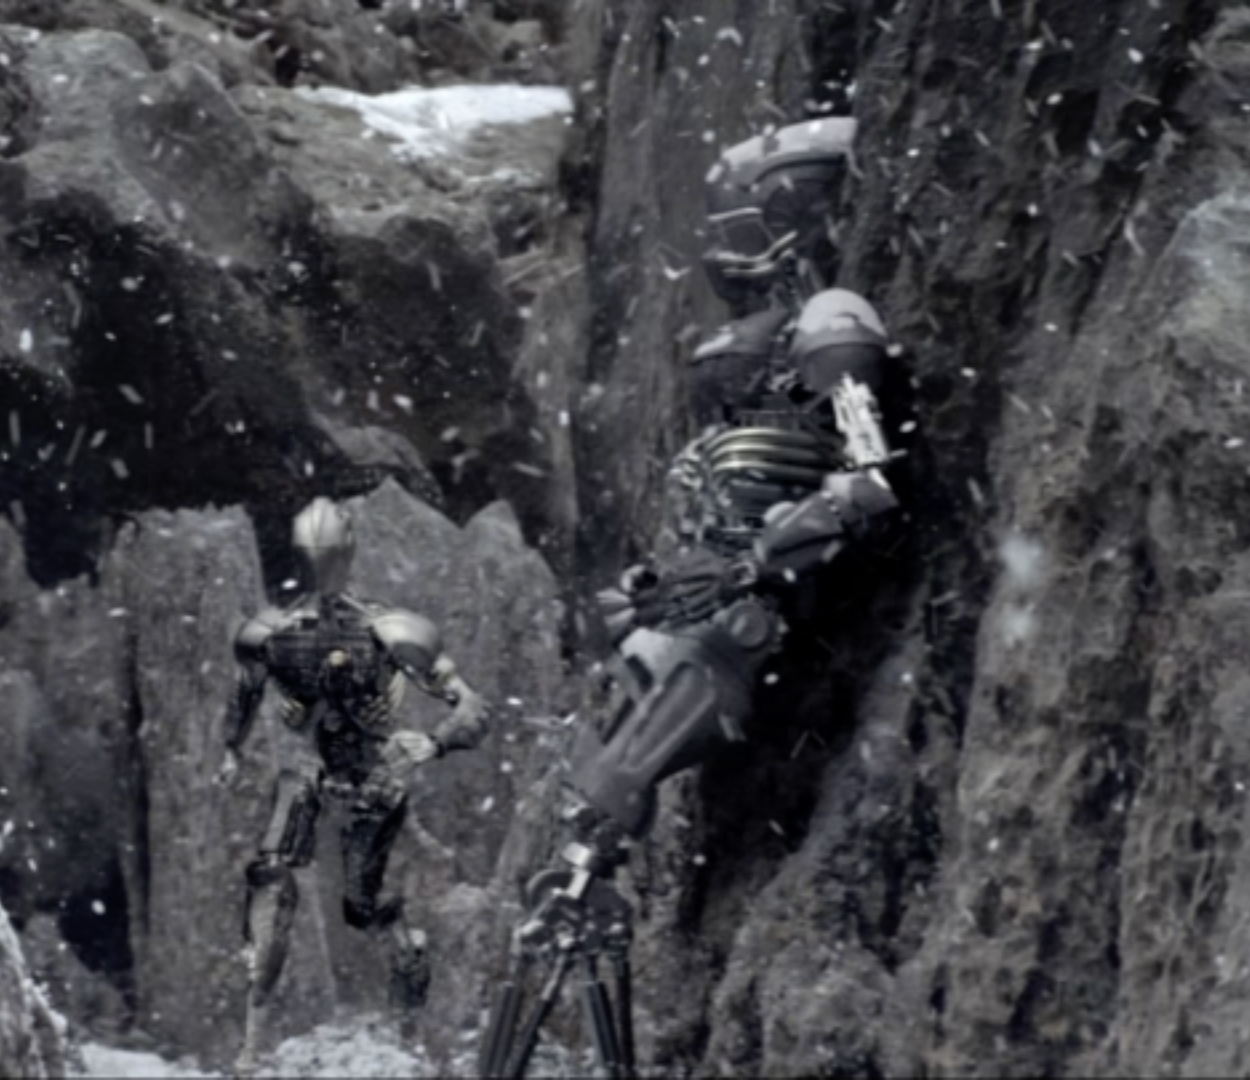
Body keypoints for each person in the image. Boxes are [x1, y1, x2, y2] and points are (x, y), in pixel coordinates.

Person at [478, 116, 904, 1080]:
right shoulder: (774, 345)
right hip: (697, 629)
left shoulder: (834, 321)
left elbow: (871, 482)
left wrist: (745, 564)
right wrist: (664, 584)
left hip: (741, 636)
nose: (729, 238)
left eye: (749, 213)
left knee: (597, 822)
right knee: (586, 825)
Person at [219, 496, 491, 1076]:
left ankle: (408, 997)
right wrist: (230, 749)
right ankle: (253, 1040)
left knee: (360, 909)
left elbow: (471, 707)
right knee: (272, 878)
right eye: (314, 555)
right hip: (310, 770)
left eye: (329, 555)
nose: (323, 568)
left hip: (373, 776)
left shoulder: (390, 631)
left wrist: (435, 742)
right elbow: (243, 695)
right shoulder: (269, 634)